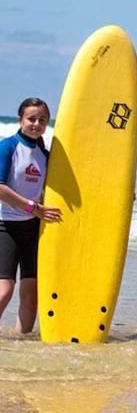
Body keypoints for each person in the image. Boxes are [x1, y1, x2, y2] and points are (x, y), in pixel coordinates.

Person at [0, 98, 62, 333]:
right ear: (20, 119)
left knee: (31, 296)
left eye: (42, 120)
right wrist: (32, 207)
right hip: (6, 226)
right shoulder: (7, 147)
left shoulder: (44, 155)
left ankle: (20, 343)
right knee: (4, 290)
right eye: (31, 119)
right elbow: (0, 188)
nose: (36, 124)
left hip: (34, 230)